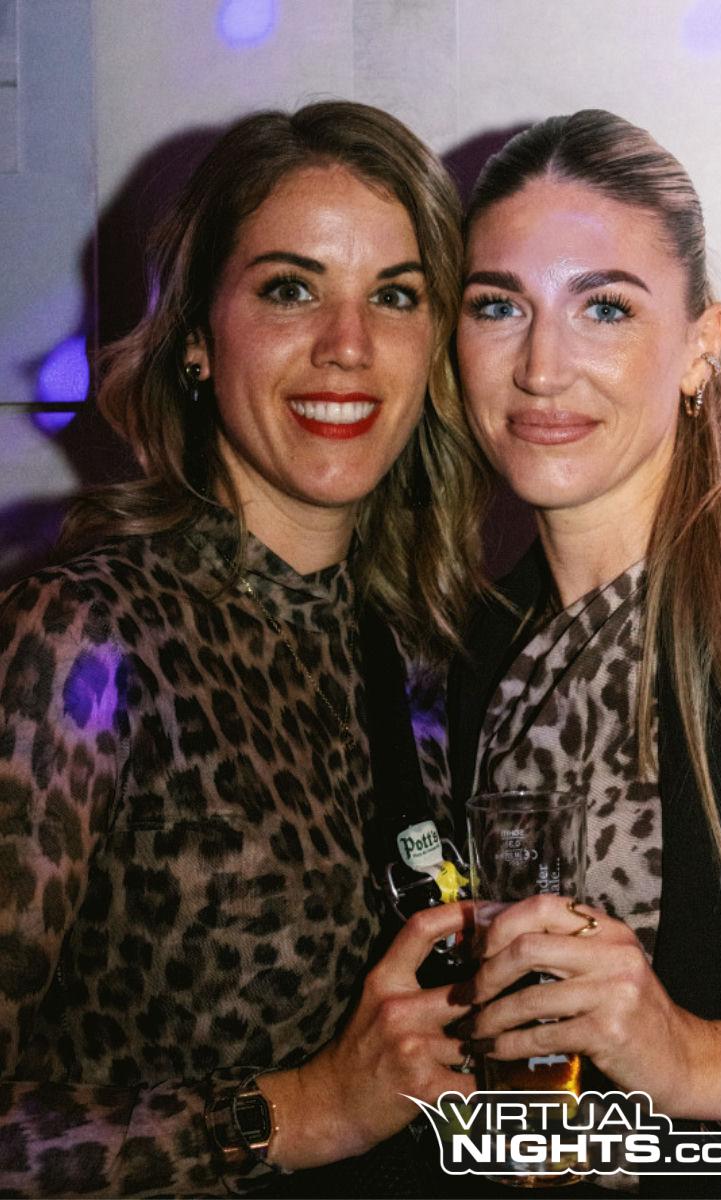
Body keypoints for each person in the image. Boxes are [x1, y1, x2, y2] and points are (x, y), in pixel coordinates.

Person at [0, 101, 488, 1198]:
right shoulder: (82, 640)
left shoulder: (429, 655)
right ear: (194, 339)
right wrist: (305, 1109)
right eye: (289, 288)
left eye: (395, 295)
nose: (347, 345)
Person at [446, 110, 721, 1196]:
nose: (541, 368)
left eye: (604, 307)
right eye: (499, 306)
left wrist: (691, 1057)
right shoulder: (456, 655)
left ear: (699, 345)